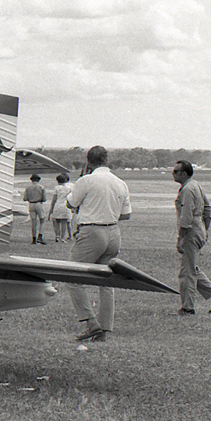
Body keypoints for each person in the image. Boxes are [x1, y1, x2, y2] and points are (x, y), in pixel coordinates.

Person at [65, 146, 131, 342]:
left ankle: (91, 323)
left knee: (72, 277)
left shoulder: (86, 180)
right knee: (106, 281)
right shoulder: (120, 183)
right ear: (106, 160)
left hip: (92, 230)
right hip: (113, 232)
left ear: (88, 162)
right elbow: (126, 214)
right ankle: (104, 328)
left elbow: (71, 203)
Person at [172, 160, 211, 315]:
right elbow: (208, 209)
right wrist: (204, 228)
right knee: (193, 268)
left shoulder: (188, 189)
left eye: (176, 171)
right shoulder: (195, 185)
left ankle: (187, 308)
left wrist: (180, 237)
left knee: (187, 272)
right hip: (198, 229)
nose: (173, 174)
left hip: (191, 231)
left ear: (184, 173)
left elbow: (186, 216)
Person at [23, 174, 47, 244]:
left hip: (31, 204)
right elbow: (44, 199)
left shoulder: (28, 187)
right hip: (38, 203)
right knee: (42, 220)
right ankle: (40, 235)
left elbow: (25, 198)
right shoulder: (41, 187)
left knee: (33, 222)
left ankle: (34, 238)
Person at [48, 173, 73, 242]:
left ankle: (57, 236)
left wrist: (51, 209)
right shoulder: (69, 188)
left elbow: (54, 199)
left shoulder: (57, 188)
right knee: (64, 222)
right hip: (65, 205)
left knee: (56, 222)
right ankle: (62, 237)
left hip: (58, 205)